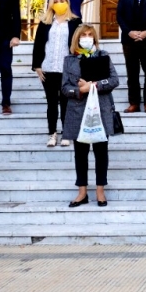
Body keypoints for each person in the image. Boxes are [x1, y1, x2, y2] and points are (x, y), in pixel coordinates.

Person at [61, 24, 119, 207]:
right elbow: (64, 88)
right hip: (78, 111)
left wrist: (92, 86)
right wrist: (79, 90)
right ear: (77, 38)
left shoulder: (103, 56)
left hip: (100, 109)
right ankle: (82, 192)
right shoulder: (69, 60)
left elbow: (114, 80)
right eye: (83, 35)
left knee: (101, 152)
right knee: (81, 153)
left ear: (94, 38)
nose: (86, 38)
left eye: (90, 35)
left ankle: (100, 191)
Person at [32, 0, 82, 148]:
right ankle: (52, 134)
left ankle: (67, 133)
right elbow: (39, 44)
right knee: (51, 103)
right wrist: (37, 66)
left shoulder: (74, 22)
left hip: (67, 69)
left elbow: (79, 45)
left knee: (66, 102)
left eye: (63, 0)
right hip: (49, 67)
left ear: (67, 2)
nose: (60, 3)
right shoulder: (45, 22)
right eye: (57, 1)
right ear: (51, 4)